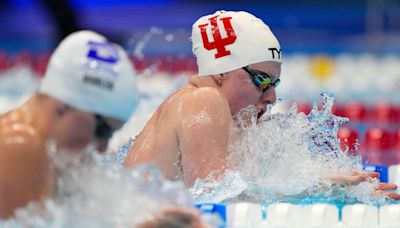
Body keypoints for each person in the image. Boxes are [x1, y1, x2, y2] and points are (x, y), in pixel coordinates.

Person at [124, 10, 400, 199]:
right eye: (261, 80)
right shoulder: (203, 100)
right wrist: (318, 186)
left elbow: (237, 185)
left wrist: (327, 181)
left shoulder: (209, 109)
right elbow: (218, 198)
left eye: (274, 84)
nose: (271, 97)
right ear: (221, 72)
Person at [0, 30, 139, 218]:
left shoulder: (47, 150)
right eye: (102, 130)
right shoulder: (20, 146)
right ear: (64, 105)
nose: (102, 147)